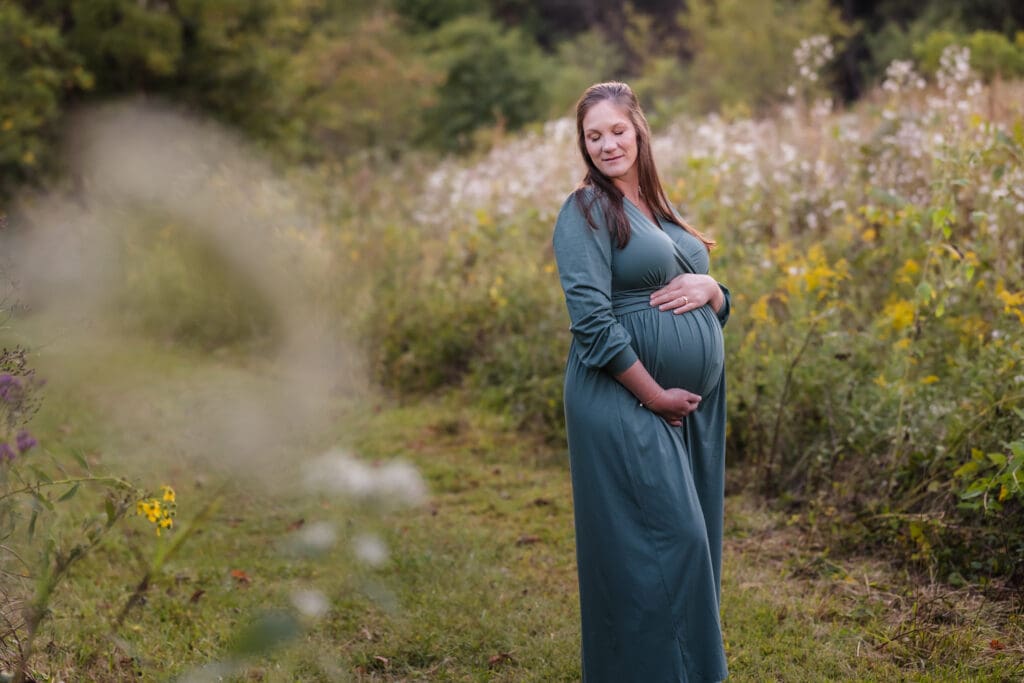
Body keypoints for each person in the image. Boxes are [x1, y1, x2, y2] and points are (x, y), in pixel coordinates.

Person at [552, 81, 731, 682]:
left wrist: (716, 293)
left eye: (616, 131)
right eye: (593, 136)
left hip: (682, 405)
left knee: (689, 541)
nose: (607, 145)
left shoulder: (657, 208)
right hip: (622, 393)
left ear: (639, 130)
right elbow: (591, 322)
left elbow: (697, 284)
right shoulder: (585, 209)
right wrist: (654, 395)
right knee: (669, 543)